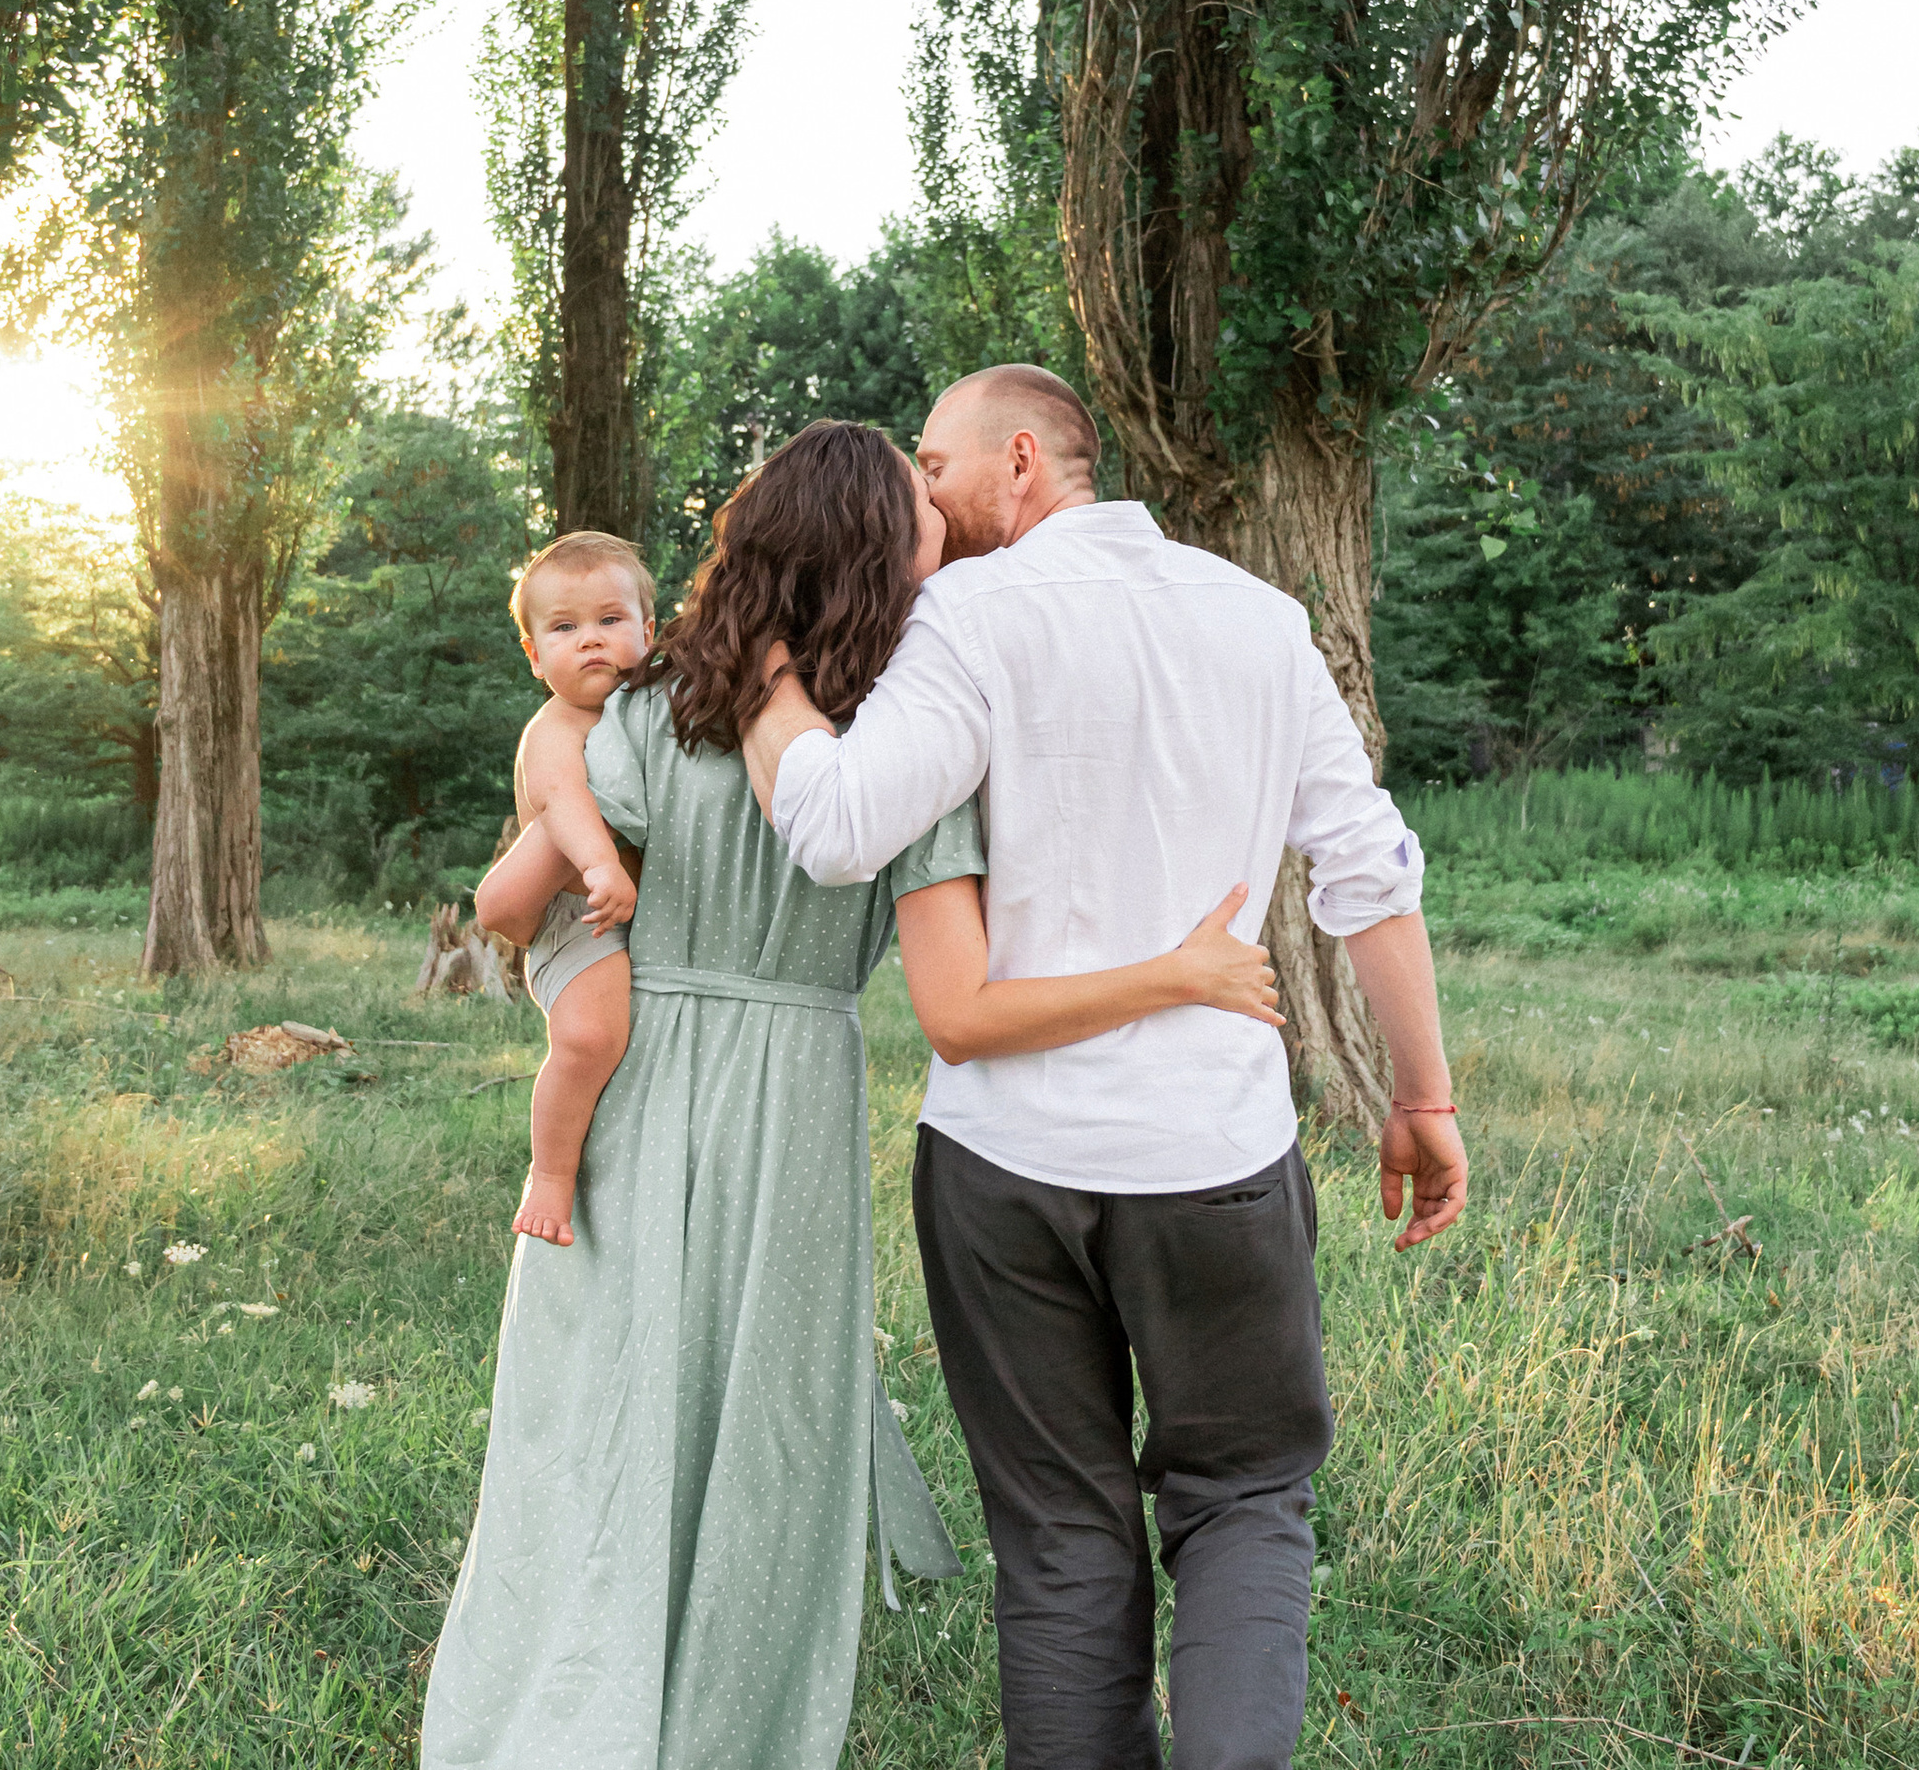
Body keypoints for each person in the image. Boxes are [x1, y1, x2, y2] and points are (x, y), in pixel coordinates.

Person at [422, 421, 1280, 1770]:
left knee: (604, 1410)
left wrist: (553, 855)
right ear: (883, 569)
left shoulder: (646, 715)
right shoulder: (913, 752)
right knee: (768, 1425)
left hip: (638, 1082)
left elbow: (516, 908)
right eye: (925, 531)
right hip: (792, 1104)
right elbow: (961, 999)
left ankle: (561, 1712)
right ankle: (730, 1733)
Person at [741, 365, 1470, 1770]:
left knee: (1064, 1538)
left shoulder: (963, 617)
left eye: (939, 467)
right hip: (1214, 1165)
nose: (927, 502)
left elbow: (832, 825)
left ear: (1023, 461)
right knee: (1247, 1499)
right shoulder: (1264, 626)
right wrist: (1422, 1098)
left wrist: (762, 658)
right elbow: (1371, 876)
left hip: (1005, 1171)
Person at [473, 532, 649, 1248]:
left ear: (649, 631)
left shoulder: (638, 713)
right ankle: (549, 1175)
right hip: (576, 916)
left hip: (616, 913)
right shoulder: (558, 725)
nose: (591, 642)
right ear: (533, 654)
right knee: (588, 1036)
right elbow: (563, 801)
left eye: (611, 621)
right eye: (565, 628)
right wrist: (604, 866)